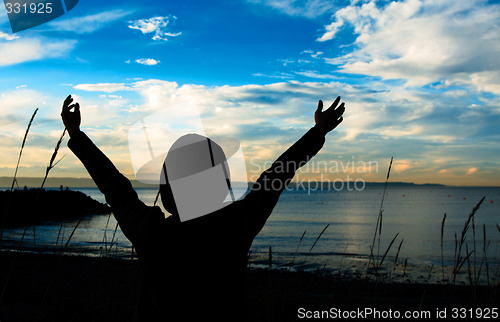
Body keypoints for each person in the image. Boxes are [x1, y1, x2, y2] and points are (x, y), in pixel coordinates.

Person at [61, 95, 345, 321]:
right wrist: (318, 132)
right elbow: (275, 177)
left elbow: (115, 187)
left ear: (168, 185)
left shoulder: (150, 231)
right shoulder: (237, 225)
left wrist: (76, 134)